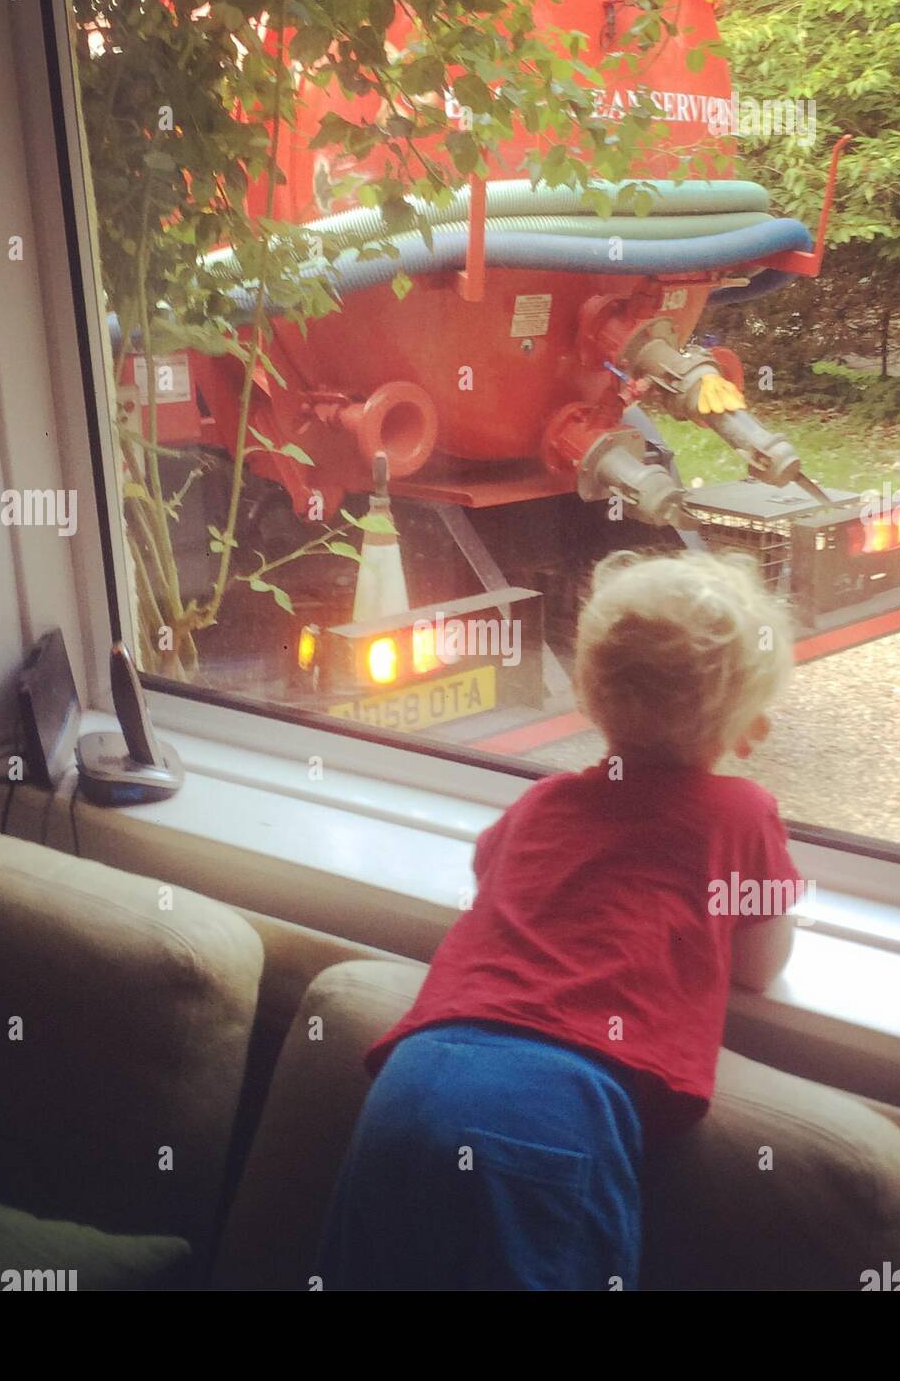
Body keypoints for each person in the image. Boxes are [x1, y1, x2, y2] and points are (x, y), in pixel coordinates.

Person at [315, 549, 803, 1291]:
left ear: (590, 692)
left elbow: (495, 875)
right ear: (745, 726)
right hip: (550, 1113)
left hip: (409, 1083)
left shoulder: (543, 804)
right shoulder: (740, 813)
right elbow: (762, 964)